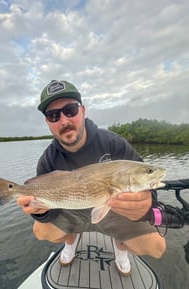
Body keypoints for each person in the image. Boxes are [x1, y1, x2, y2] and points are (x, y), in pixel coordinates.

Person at [17, 80, 166, 276]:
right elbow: (46, 210)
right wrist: (39, 210)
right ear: (48, 122)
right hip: (72, 209)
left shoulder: (114, 143)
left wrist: (146, 203)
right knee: (41, 230)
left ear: (83, 111)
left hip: (115, 209)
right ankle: (71, 241)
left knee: (156, 247)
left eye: (70, 110)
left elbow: (148, 193)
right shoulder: (48, 159)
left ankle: (119, 245)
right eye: (53, 115)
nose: (64, 121)